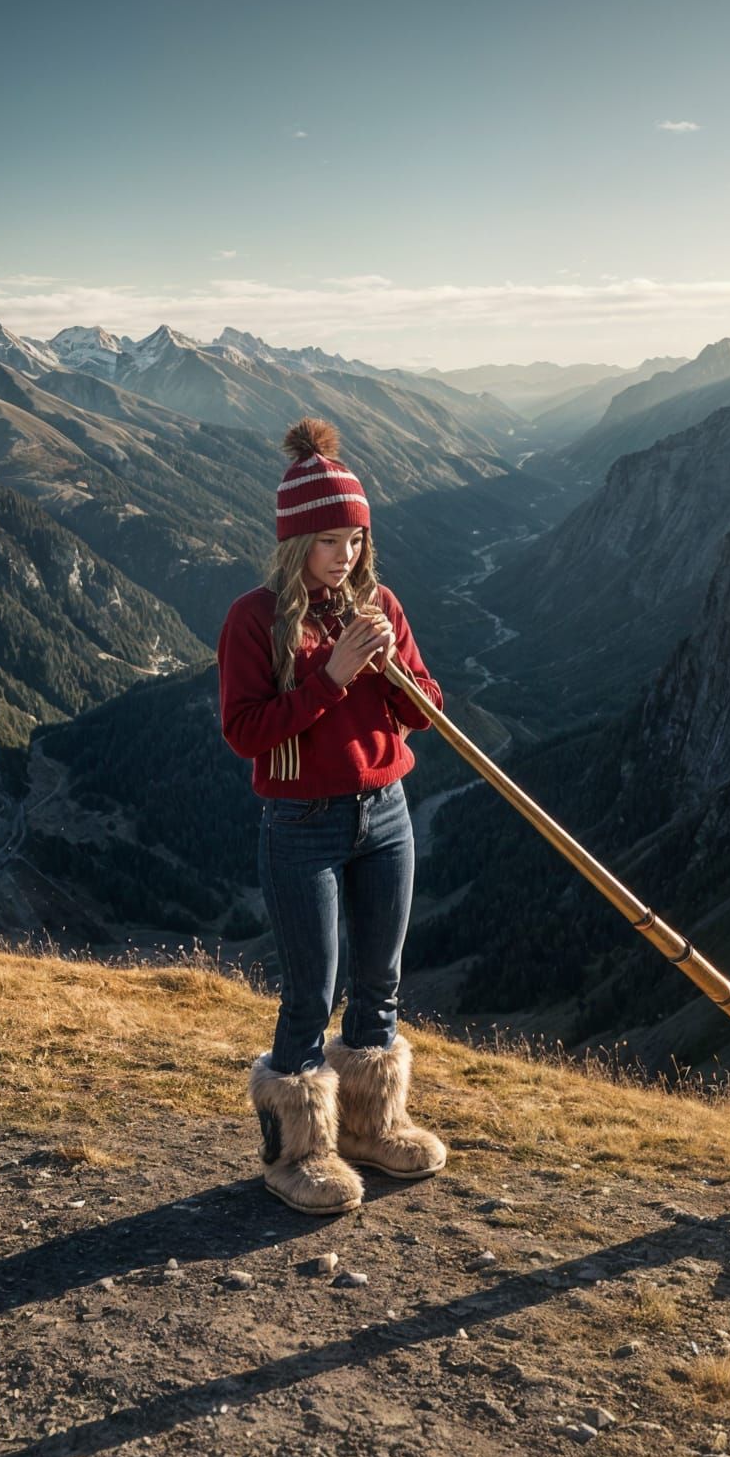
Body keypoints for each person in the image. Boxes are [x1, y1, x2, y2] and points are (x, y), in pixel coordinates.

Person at [215, 415, 446, 1216]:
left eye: (354, 539)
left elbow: (426, 712)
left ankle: (373, 1126)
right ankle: (295, 1153)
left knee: (379, 980)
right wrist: (335, 677)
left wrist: (390, 671)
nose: (345, 556)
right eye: (328, 542)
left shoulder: (378, 602)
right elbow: (244, 730)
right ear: (293, 544)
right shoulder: (254, 620)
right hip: (300, 822)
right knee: (312, 989)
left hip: (385, 811)